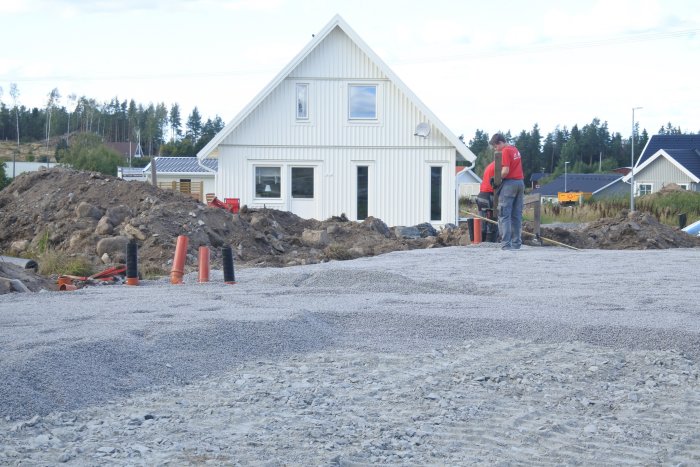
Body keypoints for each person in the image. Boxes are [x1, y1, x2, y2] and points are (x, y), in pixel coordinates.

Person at [489, 133, 524, 250]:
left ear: (500, 143)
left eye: (495, 146)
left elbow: (505, 170)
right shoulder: (515, 149)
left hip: (509, 184)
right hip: (520, 183)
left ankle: (505, 245)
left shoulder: (505, 151)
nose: (495, 149)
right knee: (516, 215)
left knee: (504, 215)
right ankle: (516, 244)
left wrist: (496, 179)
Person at [476, 161, 499, 242]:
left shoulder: (491, 165)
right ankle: (490, 243)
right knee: (492, 222)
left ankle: (480, 242)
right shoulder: (500, 165)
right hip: (489, 196)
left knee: (482, 222)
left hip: (481, 195)